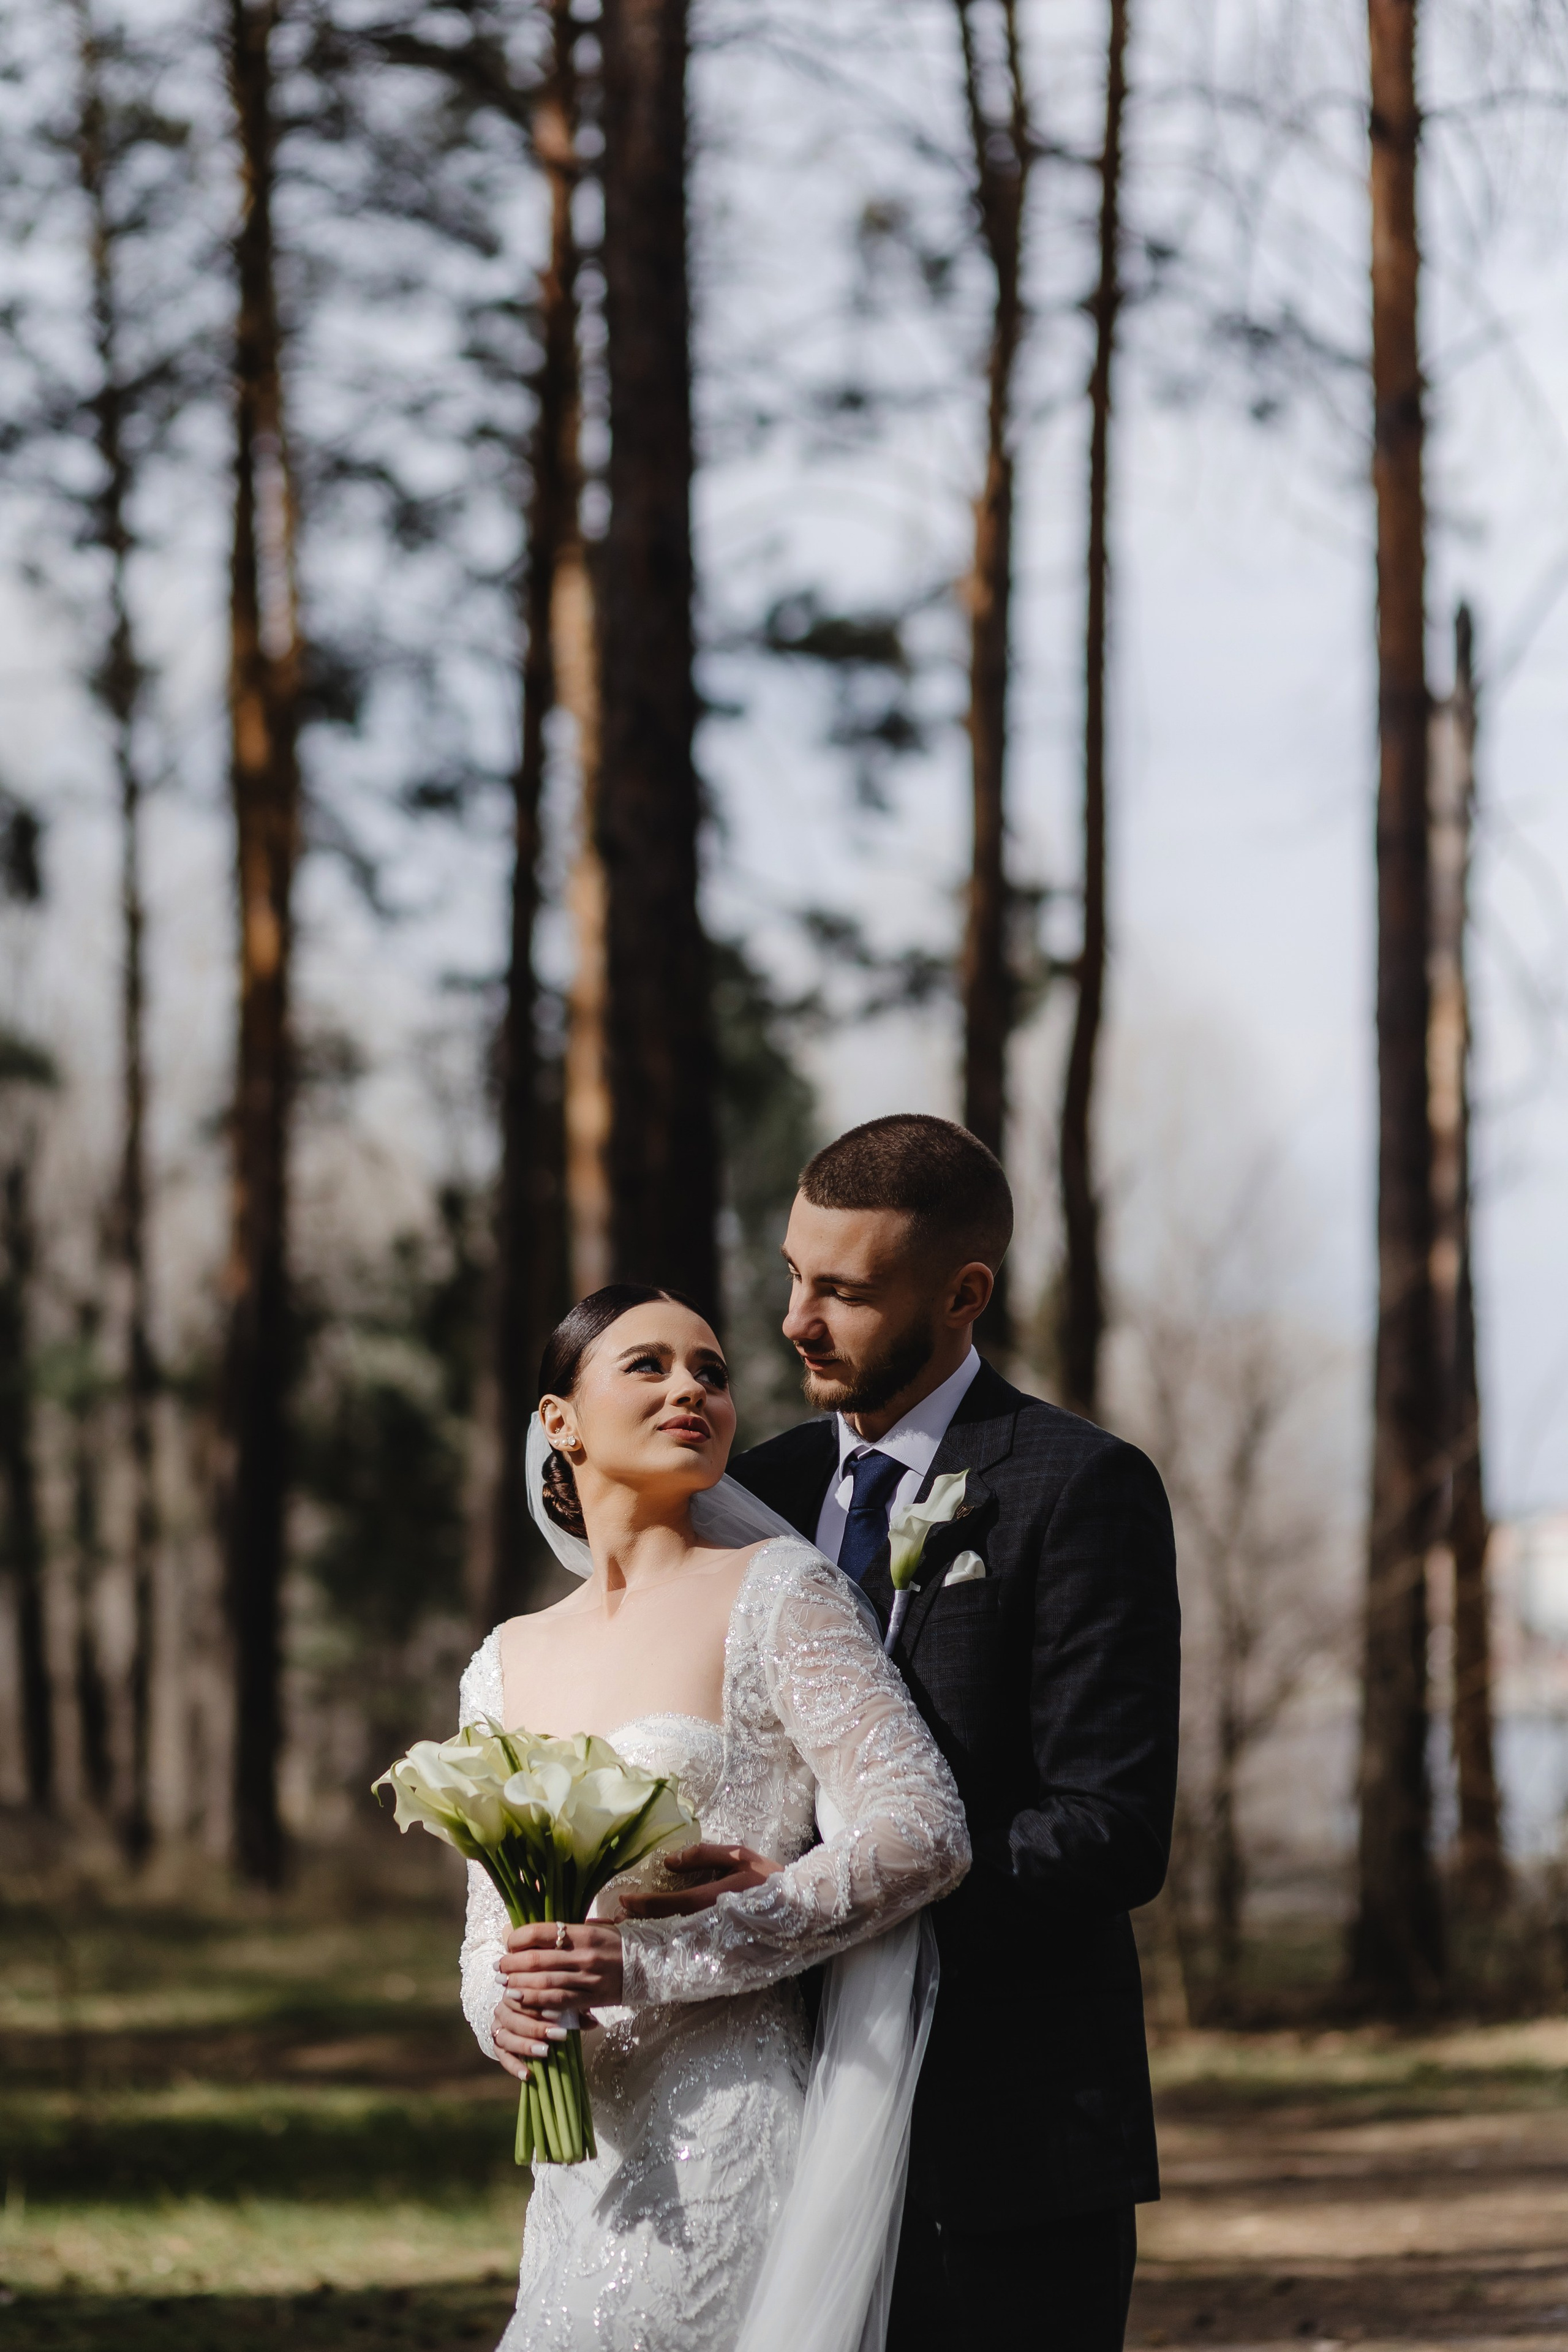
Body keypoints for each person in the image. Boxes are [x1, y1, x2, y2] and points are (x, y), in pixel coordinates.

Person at [726, 1114, 1181, 2352]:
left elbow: (1108, 1828)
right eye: (791, 1276)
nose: (795, 1322)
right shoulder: (746, 1497)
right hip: (762, 2119)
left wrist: (842, 1903)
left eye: (844, 1291)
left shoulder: (1078, 1488)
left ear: (962, 1293)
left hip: (1002, 2142)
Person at [456, 1281, 971, 2352]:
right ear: (558, 1421)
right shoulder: (505, 1661)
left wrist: (654, 1960)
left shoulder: (780, 1593)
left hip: (727, 2126)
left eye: (712, 1373)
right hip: (580, 2155)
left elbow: (923, 1828)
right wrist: (501, 2011)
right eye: (648, 1365)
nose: (692, 1388)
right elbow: (487, 1929)